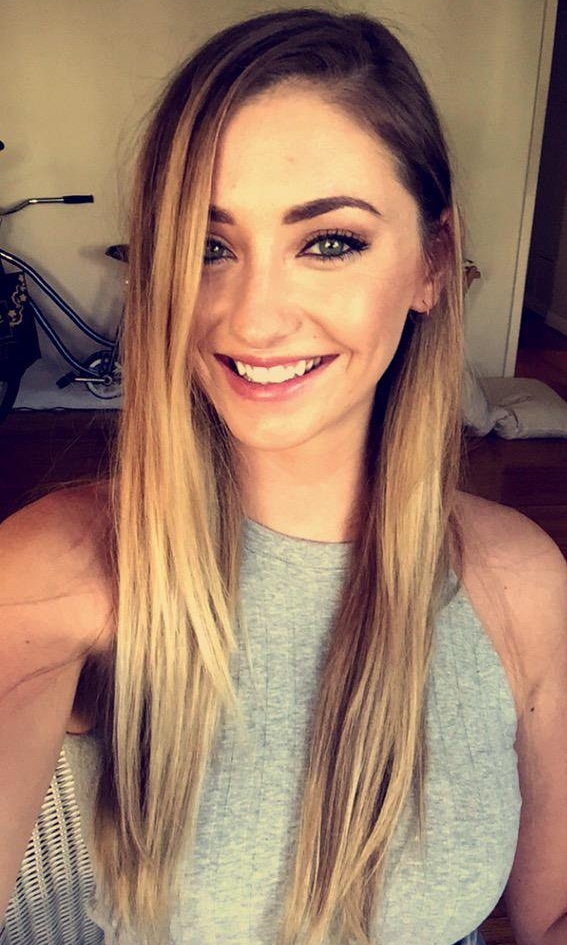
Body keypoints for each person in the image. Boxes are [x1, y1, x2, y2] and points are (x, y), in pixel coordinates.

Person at [1, 8, 566, 945]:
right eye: (208, 246)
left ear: (431, 262)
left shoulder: (523, 582)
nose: (253, 319)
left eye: (329, 241)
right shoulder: (62, 567)